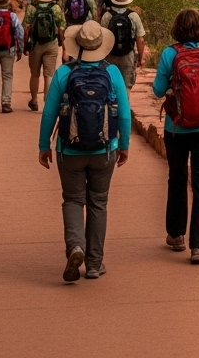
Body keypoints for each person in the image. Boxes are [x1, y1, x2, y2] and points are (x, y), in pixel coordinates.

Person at [38, 20, 130, 282]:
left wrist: (45, 146)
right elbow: (123, 114)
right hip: (104, 150)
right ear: (101, 45)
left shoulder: (64, 73)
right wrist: (123, 146)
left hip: (69, 150)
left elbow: (49, 113)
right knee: (98, 202)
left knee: (73, 200)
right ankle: (93, 264)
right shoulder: (112, 73)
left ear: (76, 44)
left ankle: (75, 247)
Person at [152, 9, 199, 264]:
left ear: (177, 29)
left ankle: (176, 235)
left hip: (176, 128)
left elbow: (157, 90)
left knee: (177, 178)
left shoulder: (169, 53)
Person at [23, 0, 66, 112]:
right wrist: (61, 43)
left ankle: (34, 101)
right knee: (49, 74)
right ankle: (47, 102)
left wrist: (25, 44)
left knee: (35, 74)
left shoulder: (31, 7)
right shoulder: (56, 8)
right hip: (51, 43)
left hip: (35, 44)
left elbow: (26, 27)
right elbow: (62, 27)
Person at [100, 0, 146, 90]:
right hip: (127, 55)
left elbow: (102, 37)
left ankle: (112, 104)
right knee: (126, 88)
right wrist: (140, 58)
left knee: (110, 86)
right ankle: (124, 105)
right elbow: (140, 40)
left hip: (110, 55)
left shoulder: (107, 15)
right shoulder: (133, 16)